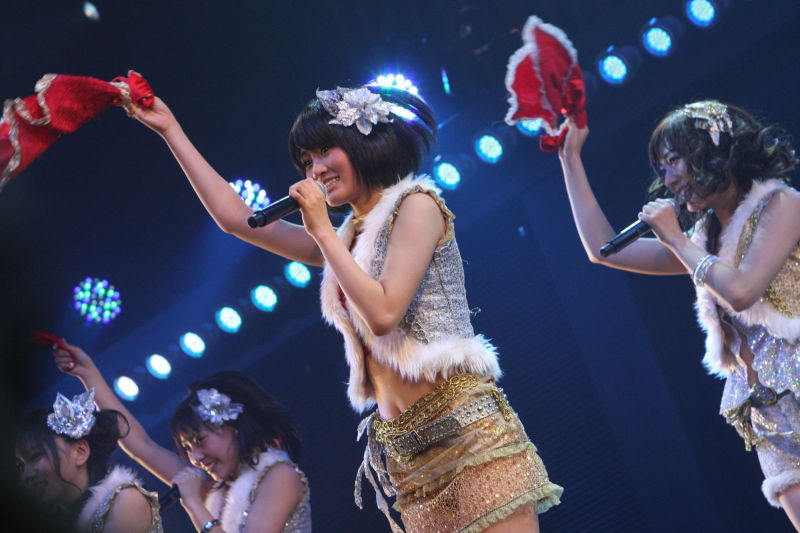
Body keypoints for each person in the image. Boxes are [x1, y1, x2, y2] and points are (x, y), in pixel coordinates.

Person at [127, 85, 562, 532]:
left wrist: (321, 231)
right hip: (407, 456)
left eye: (323, 152)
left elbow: (384, 314)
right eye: (305, 161)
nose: (315, 170)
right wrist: (170, 130)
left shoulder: (417, 205)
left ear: (364, 143)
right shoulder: (347, 236)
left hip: (465, 430)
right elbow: (236, 220)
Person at [557, 100, 800, 528]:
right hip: (764, 406)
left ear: (714, 151)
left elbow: (741, 291)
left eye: (674, 161)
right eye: (661, 167)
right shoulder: (703, 239)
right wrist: (570, 160)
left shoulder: (781, 203)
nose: (668, 179)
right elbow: (603, 250)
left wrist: (676, 239)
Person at [53, 341, 310, 533]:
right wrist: (88, 375)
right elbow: (142, 445)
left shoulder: (279, 475)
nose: (195, 457)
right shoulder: (215, 488)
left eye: (199, 441)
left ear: (234, 427)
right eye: (186, 448)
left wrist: (194, 504)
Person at [15, 390, 162, 532]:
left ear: (81, 452)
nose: (26, 475)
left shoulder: (125, 501)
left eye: (35, 456)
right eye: (21, 466)